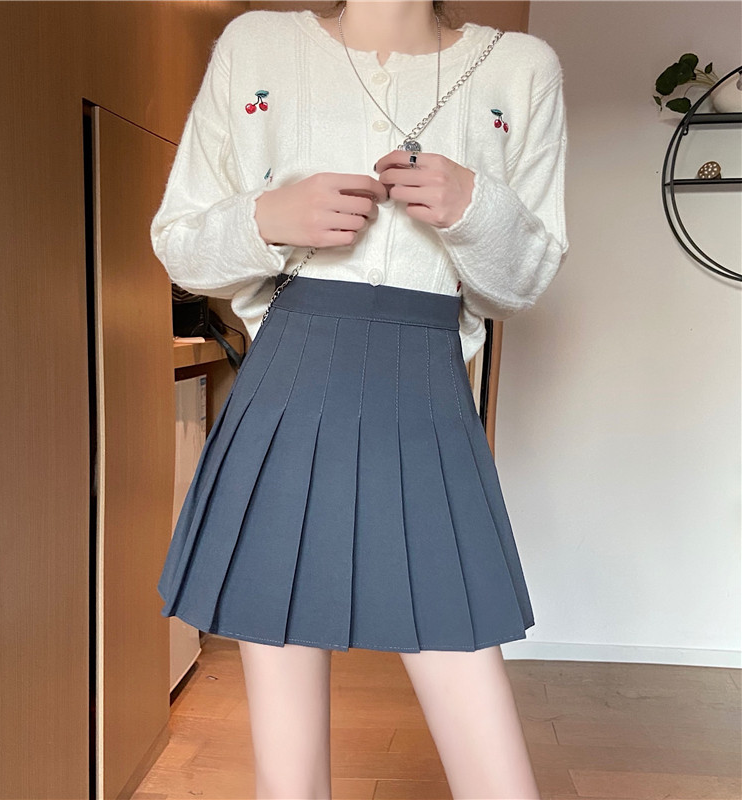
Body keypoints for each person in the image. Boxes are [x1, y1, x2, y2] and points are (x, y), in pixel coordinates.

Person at [150, 1, 568, 797]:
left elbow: (521, 283)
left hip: (425, 396)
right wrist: (267, 218)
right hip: (289, 388)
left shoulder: (520, 68)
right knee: (288, 773)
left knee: (495, 767)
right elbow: (181, 243)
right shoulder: (257, 44)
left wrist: (475, 208)